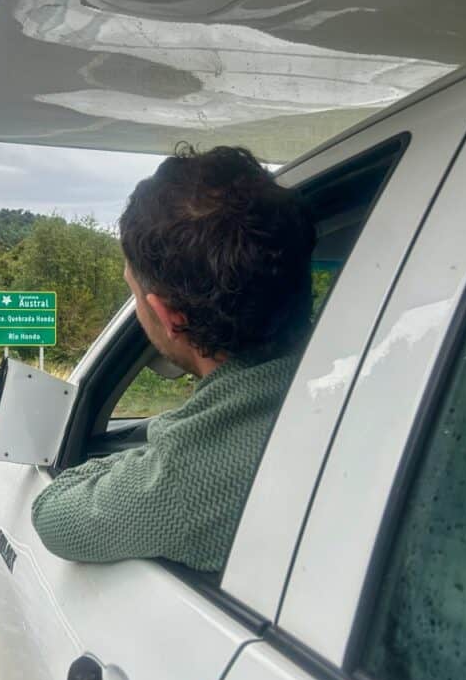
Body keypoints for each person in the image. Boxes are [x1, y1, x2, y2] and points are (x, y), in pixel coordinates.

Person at [31, 145, 316, 572]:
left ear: (169, 316)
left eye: (135, 293)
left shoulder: (190, 475)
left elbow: (52, 515)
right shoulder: (357, 378)